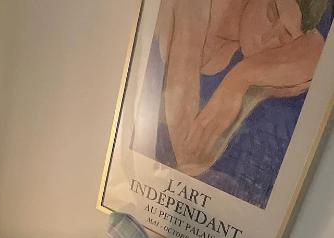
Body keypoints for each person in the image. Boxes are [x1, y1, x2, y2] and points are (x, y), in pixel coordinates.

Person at [140, 0, 330, 206]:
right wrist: (246, 83)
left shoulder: (240, 43)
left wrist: (246, 80)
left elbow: (317, 51)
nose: (267, 39)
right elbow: (187, 154)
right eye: (271, 14)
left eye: (285, 38)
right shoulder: (194, 7)